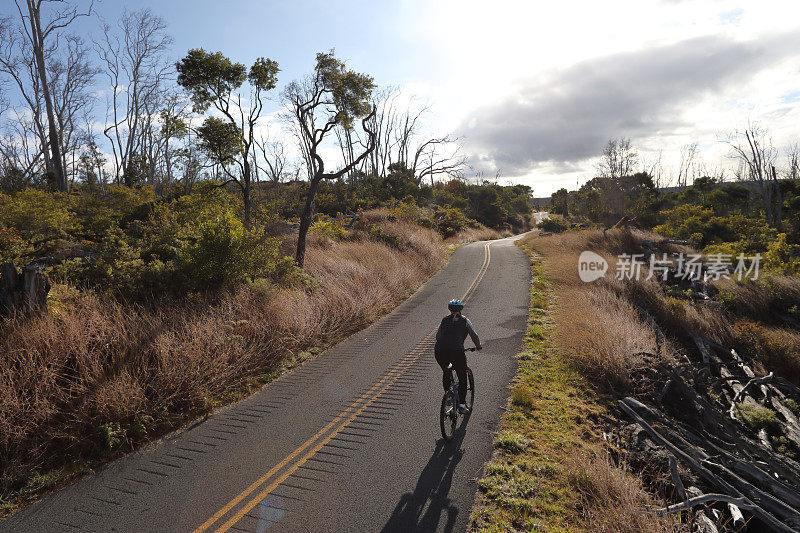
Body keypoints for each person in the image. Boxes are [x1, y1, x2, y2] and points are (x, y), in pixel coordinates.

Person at [434, 298, 481, 413]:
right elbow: (474, 335)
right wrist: (478, 346)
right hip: (456, 351)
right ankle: (461, 405)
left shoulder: (444, 320)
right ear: (461, 310)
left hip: (440, 350)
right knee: (462, 376)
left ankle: (449, 396)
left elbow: (437, 337)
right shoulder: (464, 320)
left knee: (446, 371)